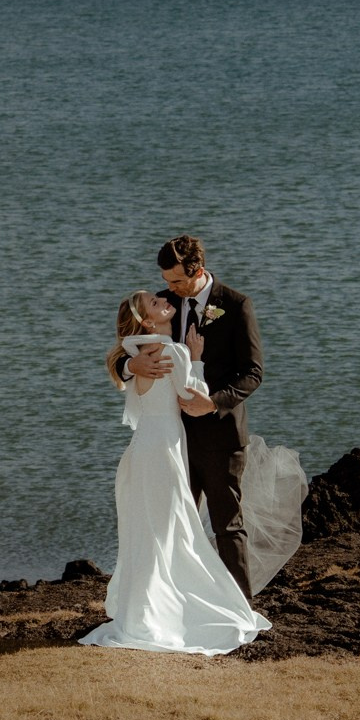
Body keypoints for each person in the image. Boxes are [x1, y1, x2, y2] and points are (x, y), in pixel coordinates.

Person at [78, 290, 271, 654]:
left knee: (149, 533)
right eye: (154, 302)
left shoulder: (140, 350)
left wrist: (130, 364)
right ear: (148, 321)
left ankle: (144, 611)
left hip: (142, 450)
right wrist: (195, 359)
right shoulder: (171, 351)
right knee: (176, 532)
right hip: (166, 449)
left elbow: (128, 372)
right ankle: (188, 608)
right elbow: (190, 395)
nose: (163, 296)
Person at [123, 235, 264, 599]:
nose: (169, 290)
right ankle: (169, 606)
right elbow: (126, 341)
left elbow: (253, 373)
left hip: (220, 439)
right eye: (166, 282)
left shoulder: (235, 306)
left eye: (177, 282)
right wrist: (129, 364)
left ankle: (240, 606)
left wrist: (213, 402)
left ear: (198, 271)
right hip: (172, 440)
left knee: (227, 526)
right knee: (170, 524)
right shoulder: (165, 303)